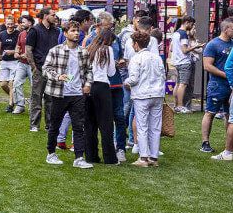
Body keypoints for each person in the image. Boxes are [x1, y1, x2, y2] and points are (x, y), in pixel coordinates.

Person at [42, 22, 92, 169]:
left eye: (77, 31)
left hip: (77, 94)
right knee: (55, 125)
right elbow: (45, 69)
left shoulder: (83, 52)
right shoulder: (55, 50)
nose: (76, 33)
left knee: (79, 126)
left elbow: (89, 70)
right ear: (65, 33)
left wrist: (88, 84)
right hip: (59, 93)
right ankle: (51, 153)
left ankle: (79, 157)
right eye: (73, 31)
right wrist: (57, 76)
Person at [124, 31, 165, 168]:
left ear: (136, 44)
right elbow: (163, 76)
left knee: (142, 127)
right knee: (155, 127)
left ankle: (143, 157)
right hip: (157, 94)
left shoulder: (136, 58)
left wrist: (126, 82)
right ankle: (153, 157)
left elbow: (134, 79)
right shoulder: (157, 58)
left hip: (142, 95)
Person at [82, 27, 120, 165]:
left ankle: (91, 156)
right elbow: (111, 72)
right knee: (106, 124)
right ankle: (109, 158)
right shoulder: (107, 50)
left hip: (89, 86)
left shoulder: (89, 49)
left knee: (90, 124)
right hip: (102, 87)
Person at [24, 7, 62, 133]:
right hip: (39, 69)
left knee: (51, 98)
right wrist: (34, 67)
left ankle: (49, 124)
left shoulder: (56, 31)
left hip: (53, 70)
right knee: (37, 97)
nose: (55, 17)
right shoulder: (34, 30)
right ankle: (34, 124)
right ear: (45, 16)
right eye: (53, 15)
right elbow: (28, 50)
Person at [200, 19, 233, 153]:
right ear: (226, 30)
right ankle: (205, 142)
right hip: (217, 85)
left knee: (229, 115)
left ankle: (229, 145)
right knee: (210, 113)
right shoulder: (212, 45)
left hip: (230, 86)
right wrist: (226, 75)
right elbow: (207, 66)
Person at [168, 16, 200, 115]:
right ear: (187, 23)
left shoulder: (176, 33)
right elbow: (185, 50)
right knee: (183, 84)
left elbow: (172, 48)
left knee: (178, 84)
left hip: (177, 62)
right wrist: (195, 47)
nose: (192, 26)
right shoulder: (183, 35)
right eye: (192, 24)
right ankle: (181, 106)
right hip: (184, 62)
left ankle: (176, 104)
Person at [0, 15, 23, 113]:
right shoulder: (1, 34)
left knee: (12, 83)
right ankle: (15, 99)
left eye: (12, 24)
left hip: (15, 61)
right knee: (3, 84)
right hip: (4, 61)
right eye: (8, 24)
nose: (10, 26)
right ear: (5, 24)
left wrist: (12, 52)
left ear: (14, 24)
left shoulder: (19, 34)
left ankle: (10, 104)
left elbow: (20, 48)